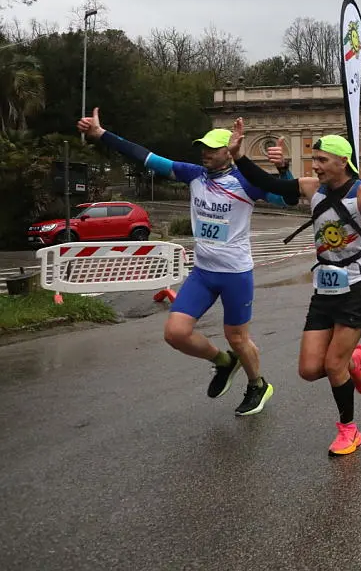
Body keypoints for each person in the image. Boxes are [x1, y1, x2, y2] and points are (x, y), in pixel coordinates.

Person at [76, 108, 300, 418]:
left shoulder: (246, 182)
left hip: (235, 273)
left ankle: (257, 384)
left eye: (212, 148)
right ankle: (224, 362)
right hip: (203, 273)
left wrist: (284, 170)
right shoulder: (192, 174)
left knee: (237, 337)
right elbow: (146, 157)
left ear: (230, 151)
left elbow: (287, 199)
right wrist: (102, 135)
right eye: (203, 148)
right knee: (175, 333)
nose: (206, 153)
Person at [229, 121, 361, 456]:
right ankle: (356, 358)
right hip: (325, 290)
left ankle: (349, 430)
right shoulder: (313, 188)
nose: (315, 166)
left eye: (322, 160)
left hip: (357, 288)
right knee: (309, 369)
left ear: (342, 162)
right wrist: (240, 157)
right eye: (314, 160)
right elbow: (270, 184)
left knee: (332, 366)